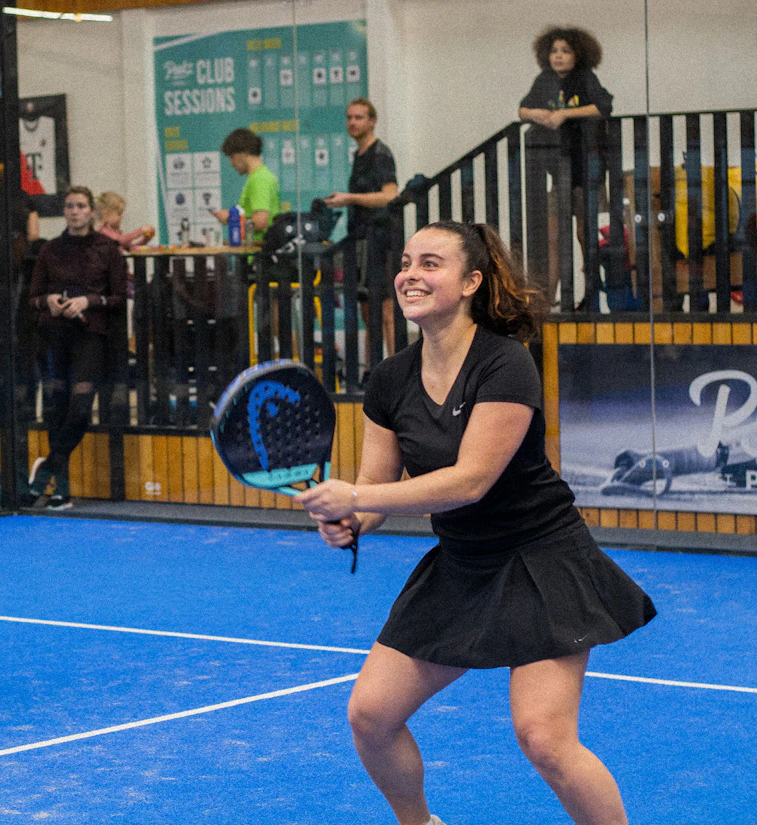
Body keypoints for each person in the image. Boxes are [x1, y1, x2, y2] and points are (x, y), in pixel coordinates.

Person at [296, 221, 655, 825]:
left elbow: (470, 482)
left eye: (430, 263)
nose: (411, 274)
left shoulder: (505, 363)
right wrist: (353, 517)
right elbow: (381, 493)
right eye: (407, 262)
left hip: (542, 559)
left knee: (545, 738)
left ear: (470, 282)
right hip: (463, 565)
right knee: (371, 716)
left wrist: (353, 492)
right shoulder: (389, 379)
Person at [27, 186, 127, 508]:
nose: (74, 211)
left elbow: (120, 298)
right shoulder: (50, 250)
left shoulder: (108, 249)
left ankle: (47, 470)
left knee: (81, 407)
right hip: (54, 333)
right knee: (56, 409)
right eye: (69, 206)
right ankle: (60, 489)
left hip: (90, 333)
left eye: (81, 206)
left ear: (92, 211)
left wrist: (89, 300)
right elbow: (33, 297)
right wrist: (49, 302)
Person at [519, 27, 613, 305]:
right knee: (553, 239)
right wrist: (536, 113)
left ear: (578, 54)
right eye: (554, 51)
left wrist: (565, 114)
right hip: (558, 174)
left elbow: (604, 106)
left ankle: (591, 294)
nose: (558, 56)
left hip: (587, 173)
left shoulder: (585, 78)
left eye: (565, 51)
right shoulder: (544, 81)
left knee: (586, 236)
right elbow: (522, 109)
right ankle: (549, 296)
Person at [324, 98, 399, 365]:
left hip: (380, 239)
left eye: (358, 117)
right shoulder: (360, 154)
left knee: (387, 311)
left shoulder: (380, 154)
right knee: (368, 312)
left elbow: (390, 196)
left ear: (372, 121)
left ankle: (397, 371)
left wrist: (350, 198)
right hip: (362, 239)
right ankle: (373, 370)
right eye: (349, 117)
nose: (352, 122)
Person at [211, 128, 280, 244]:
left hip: (257, 255)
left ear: (243, 153)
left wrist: (230, 219)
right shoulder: (258, 177)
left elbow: (261, 221)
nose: (231, 164)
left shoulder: (260, 179)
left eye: (232, 157)